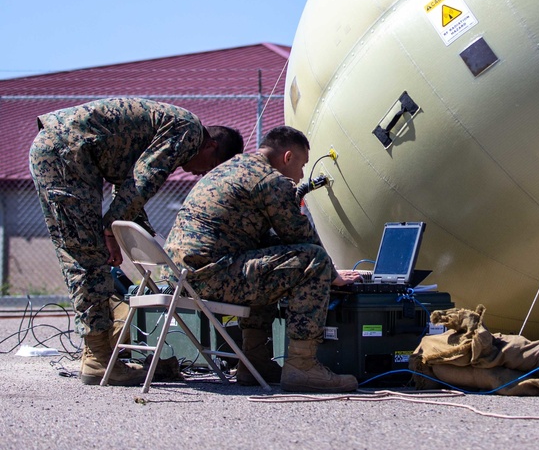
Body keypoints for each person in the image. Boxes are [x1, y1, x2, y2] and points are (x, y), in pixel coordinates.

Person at [28, 97, 244, 386]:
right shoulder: (189, 131)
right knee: (85, 256)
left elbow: (127, 185)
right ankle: (98, 358)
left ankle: (100, 350)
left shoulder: (173, 128)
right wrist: (109, 230)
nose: (202, 176)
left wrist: (121, 230)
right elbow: (145, 179)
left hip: (68, 151)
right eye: (211, 168)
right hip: (66, 152)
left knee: (89, 253)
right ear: (211, 146)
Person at [164, 125, 362, 393]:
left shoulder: (230, 166)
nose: (302, 174)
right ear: (288, 157)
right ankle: (303, 366)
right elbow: (300, 236)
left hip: (183, 276)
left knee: (269, 257)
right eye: (302, 165)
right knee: (313, 261)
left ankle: (254, 361)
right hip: (210, 277)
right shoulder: (270, 180)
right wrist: (332, 274)